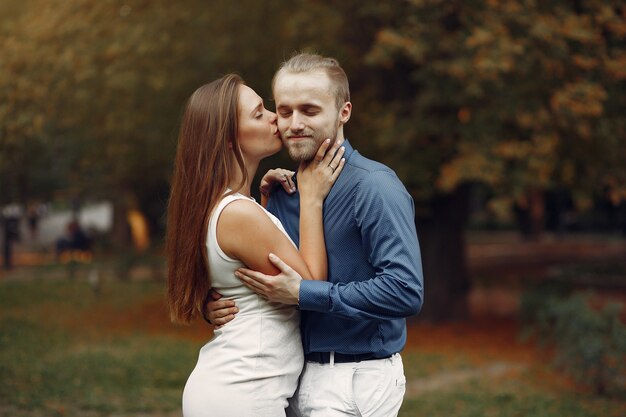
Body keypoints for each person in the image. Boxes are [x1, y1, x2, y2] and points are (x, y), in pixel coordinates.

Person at [207, 53, 424, 417]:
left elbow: (405, 290)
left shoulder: (374, 187)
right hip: (288, 380)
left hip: (356, 377)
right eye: (285, 110)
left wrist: (306, 293)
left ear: (344, 112)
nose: (293, 124)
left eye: (309, 110)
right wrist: (212, 304)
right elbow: (259, 278)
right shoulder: (280, 192)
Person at [165, 74, 346, 417]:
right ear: (229, 141)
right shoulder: (239, 214)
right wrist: (311, 199)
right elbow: (311, 286)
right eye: (259, 113)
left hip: (232, 391)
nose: (276, 118)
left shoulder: (224, 205)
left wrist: (264, 202)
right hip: (243, 395)